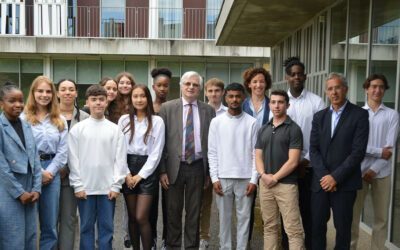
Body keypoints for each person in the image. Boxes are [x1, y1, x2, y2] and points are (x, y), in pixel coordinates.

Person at [310, 73, 369, 250]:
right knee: (317, 227)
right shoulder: (319, 117)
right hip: (320, 183)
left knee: (343, 230)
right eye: (330, 89)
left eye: (337, 87)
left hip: (345, 183)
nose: (334, 92)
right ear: (326, 93)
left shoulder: (359, 115)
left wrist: (335, 178)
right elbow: (314, 150)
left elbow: (358, 152)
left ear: (346, 89)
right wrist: (325, 176)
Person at [68, 84, 129, 250]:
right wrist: (78, 185)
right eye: (94, 100)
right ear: (87, 102)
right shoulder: (78, 129)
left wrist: (116, 185)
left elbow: (120, 160)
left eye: (101, 99)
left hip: (107, 189)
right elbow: (73, 159)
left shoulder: (115, 130)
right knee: (86, 228)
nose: (98, 103)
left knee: (107, 229)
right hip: (85, 189)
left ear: (106, 102)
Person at [159, 71, 215, 249]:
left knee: (194, 212)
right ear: (181, 86)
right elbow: (160, 143)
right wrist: (162, 171)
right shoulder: (167, 108)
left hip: (198, 167)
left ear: (199, 89)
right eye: (188, 84)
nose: (191, 87)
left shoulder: (208, 110)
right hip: (174, 167)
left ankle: (191, 247)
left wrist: (209, 173)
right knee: (173, 212)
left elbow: (211, 144)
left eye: (195, 85)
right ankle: (173, 246)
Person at [350, 74, 399, 250]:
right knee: (353, 217)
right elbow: (356, 146)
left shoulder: (392, 115)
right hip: (358, 172)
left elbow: (390, 148)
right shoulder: (357, 114)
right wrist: (378, 152)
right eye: (374, 86)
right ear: (366, 89)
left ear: (385, 90)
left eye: (381, 87)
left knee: (381, 219)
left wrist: (374, 169)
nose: (377, 90)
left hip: (382, 173)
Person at [208, 82, 258, 250]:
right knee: (224, 219)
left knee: (244, 219)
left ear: (243, 97)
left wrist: (254, 179)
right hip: (223, 177)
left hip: (245, 178)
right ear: (226, 97)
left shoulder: (252, 122)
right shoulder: (216, 122)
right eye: (231, 96)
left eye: (238, 96)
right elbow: (212, 152)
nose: (234, 99)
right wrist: (214, 177)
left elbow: (255, 154)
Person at [283, 57, 325, 249]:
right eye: (293, 74)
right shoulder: (279, 101)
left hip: (309, 168)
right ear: (287, 78)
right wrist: (290, 163)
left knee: (310, 215)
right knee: (287, 215)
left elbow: (322, 137)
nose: (297, 77)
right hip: (284, 168)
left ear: (305, 76)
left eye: (300, 74)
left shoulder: (317, 102)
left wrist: (305, 161)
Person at [22, 75, 68, 250]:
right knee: (30, 223)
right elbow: (21, 149)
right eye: (40, 91)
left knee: (50, 224)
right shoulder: (22, 118)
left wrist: (50, 172)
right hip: (29, 172)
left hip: (52, 173)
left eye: (48, 91)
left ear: (53, 94)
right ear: (33, 93)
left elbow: (64, 151)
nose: (44, 95)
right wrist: (38, 172)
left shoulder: (60, 120)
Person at [255, 89, 304, 250]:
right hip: (265, 185)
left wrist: (274, 178)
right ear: (269, 105)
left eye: (281, 102)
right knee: (270, 227)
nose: (277, 106)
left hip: (286, 185)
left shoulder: (294, 129)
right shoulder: (263, 129)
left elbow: (293, 161)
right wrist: (263, 175)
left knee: (293, 230)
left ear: (287, 105)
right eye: (273, 102)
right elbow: (258, 156)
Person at [118, 84, 165, 250]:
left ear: (148, 98)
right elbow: (119, 149)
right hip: (128, 169)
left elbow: (156, 153)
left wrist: (141, 175)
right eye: (135, 96)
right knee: (131, 217)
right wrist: (126, 174)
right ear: (131, 99)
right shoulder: (123, 120)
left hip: (147, 171)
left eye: (142, 96)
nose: (139, 99)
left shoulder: (157, 121)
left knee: (141, 217)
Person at [0, 82, 42, 250]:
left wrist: (37, 188)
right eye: (12, 101)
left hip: (30, 189)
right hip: (9, 191)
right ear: (1, 103)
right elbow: (1, 167)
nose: (18, 105)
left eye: (20, 100)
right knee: (13, 238)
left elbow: (35, 159)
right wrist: (19, 192)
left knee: (31, 237)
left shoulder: (26, 125)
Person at [57, 79, 90, 250]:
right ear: (58, 93)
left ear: (76, 93)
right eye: (63, 89)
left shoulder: (86, 118)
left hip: (75, 177)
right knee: (48, 220)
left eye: (71, 89)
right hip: (52, 175)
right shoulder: (49, 116)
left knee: (69, 219)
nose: (67, 92)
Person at [242, 67, 272, 244]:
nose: (258, 84)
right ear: (249, 84)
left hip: (269, 159)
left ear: (266, 83)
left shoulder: (274, 103)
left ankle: (273, 244)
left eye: (261, 81)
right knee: (247, 207)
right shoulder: (243, 105)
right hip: (247, 160)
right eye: (255, 81)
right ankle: (245, 243)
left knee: (269, 207)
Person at [198, 77, 227, 250]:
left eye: (217, 91)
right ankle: (203, 236)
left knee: (225, 206)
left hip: (226, 164)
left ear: (222, 92)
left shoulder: (229, 111)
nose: (214, 94)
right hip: (206, 164)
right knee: (205, 203)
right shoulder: (200, 111)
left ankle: (225, 238)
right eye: (210, 91)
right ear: (205, 92)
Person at [150, 67, 171, 250]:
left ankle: (166, 239)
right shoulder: (147, 107)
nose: (162, 89)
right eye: (159, 85)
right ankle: (152, 239)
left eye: (165, 85)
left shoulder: (173, 107)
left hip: (168, 163)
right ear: (153, 86)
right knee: (150, 205)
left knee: (168, 205)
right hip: (148, 163)